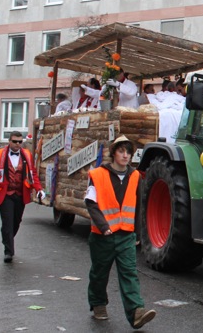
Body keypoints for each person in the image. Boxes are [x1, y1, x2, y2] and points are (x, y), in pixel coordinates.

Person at [84, 136, 156, 329]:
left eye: (128, 152)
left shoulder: (135, 176)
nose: (125, 155)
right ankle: (98, 303)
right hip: (102, 236)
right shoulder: (98, 174)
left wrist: (139, 235)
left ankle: (136, 312)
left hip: (126, 235)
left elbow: (139, 206)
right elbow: (91, 202)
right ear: (113, 153)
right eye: (121, 151)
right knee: (99, 273)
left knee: (129, 273)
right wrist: (103, 225)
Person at [0, 131, 45, 263]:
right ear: (9, 141)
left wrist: (39, 189)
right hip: (5, 194)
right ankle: (8, 251)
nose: (17, 144)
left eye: (20, 142)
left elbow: (32, 174)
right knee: (7, 222)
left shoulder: (27, 155)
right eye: (15, 141)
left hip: (20, 193)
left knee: (16, 222)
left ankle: (7, 237)